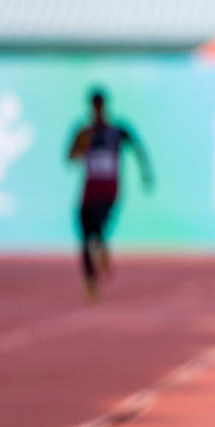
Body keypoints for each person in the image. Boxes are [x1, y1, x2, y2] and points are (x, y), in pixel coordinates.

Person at [66, 89, 152, 303]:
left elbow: (137, 147)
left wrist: (146, 173)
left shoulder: (117, 131)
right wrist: (81, 145)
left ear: (104, 105)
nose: (97, 108)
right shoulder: (84, 132)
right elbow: (71, 158)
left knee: (97, 224)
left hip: (109, 190)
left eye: (100, 104)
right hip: (88, 191)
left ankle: (102, 245)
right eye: (94, 105)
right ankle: (91, 282)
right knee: (84, 236)